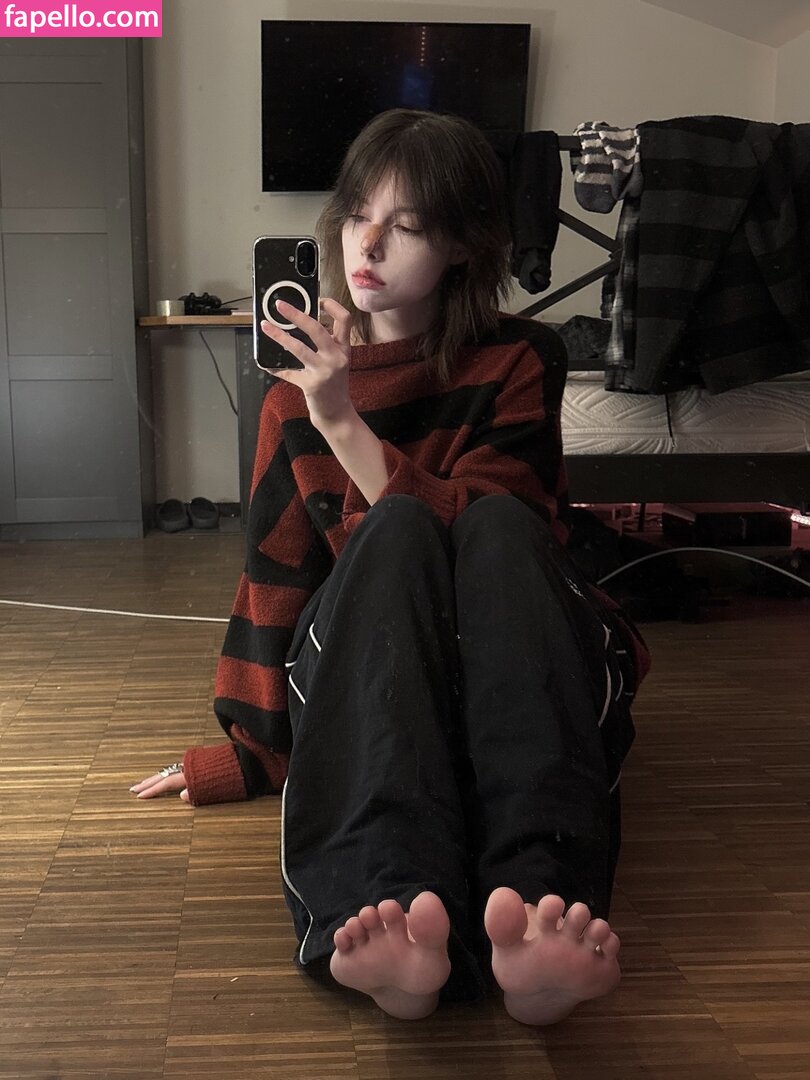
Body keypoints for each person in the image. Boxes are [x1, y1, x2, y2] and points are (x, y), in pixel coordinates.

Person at [131, 108, 651, 1024]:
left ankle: (539, 922)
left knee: (485, 526)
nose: (366, 245)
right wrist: (248, 754)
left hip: (512, 642)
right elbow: (277, 580)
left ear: (462, 247)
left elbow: (502, 537)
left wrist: (345, 423)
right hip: (375, 667)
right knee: (396, 533)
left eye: (406, 226)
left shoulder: (520, 359)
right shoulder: (291, 401)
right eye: (357, 215)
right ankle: (390, 919)